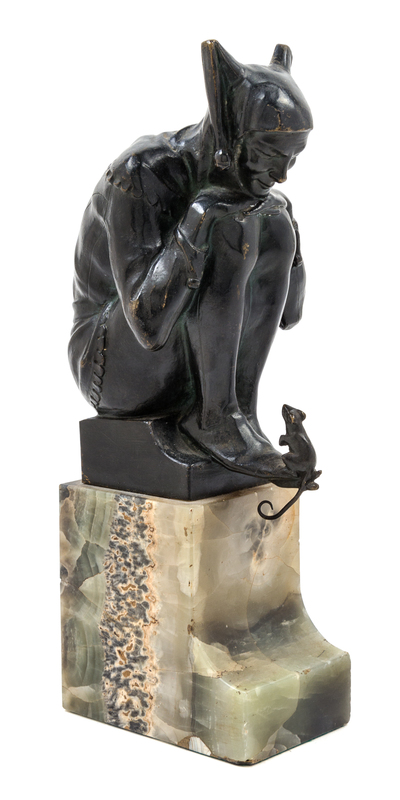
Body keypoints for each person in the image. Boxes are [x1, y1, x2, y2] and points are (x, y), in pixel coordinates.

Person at [69, 40, 313, 482]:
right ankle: (215, 419)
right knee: (228, 226)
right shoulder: (142, 172)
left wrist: (290, 240)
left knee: (271, 221)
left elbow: (290, 317)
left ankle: (238, 415)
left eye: (293, 159)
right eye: (269, 155)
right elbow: (148, 325)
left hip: (176, 360)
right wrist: (199, 219)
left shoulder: (260, 201)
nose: (281, 175)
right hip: (108, 363)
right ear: (229, 136)